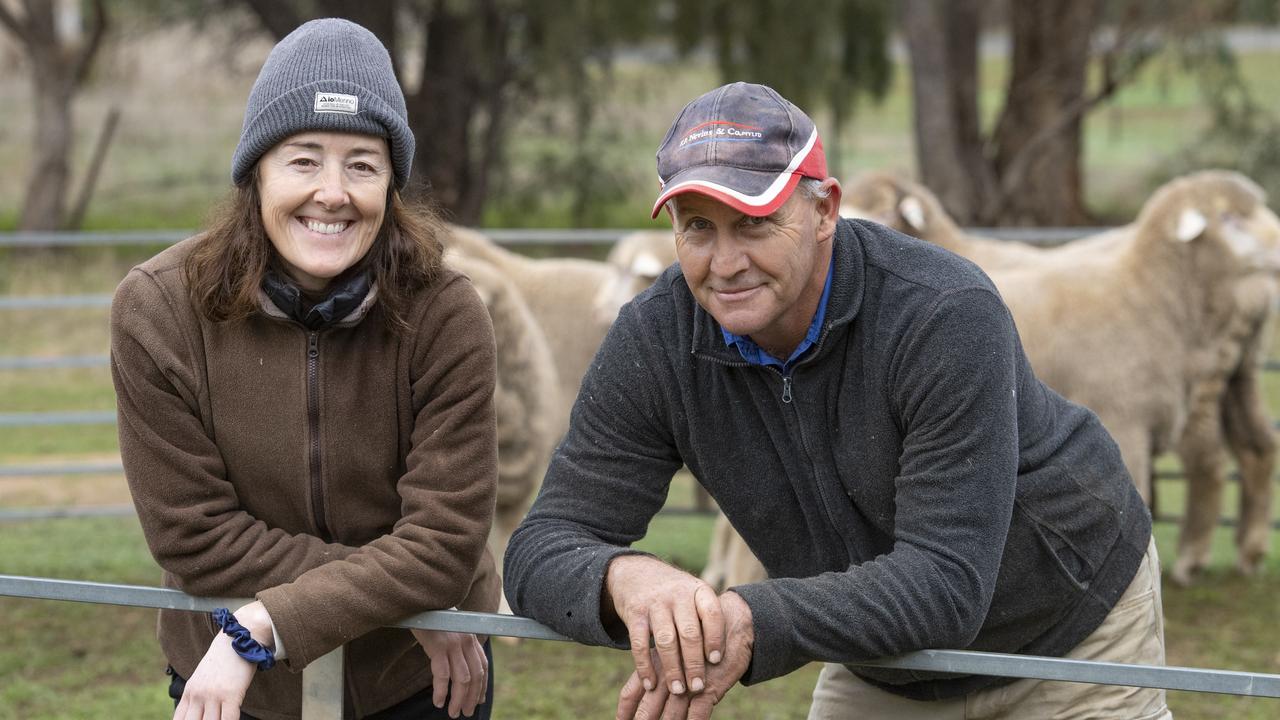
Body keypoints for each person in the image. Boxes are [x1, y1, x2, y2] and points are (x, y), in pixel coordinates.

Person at [503, 82, 1170, 719]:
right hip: (888, 659)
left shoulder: (942, 312)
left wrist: (749, 619)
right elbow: (543, 544)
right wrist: (626, 577)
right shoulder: (658, 340)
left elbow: (946, 580)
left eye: (755, 223)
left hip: (1070, 626)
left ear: (824, 210)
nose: (725, 261)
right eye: (698, 227)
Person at [110, 18, 500, 720]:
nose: (332, 192)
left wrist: (263, 624)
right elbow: (194, 536)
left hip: (415, 681)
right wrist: (397, 595)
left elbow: (444, 546)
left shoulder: (447, 314)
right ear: (254, 171)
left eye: (362, 164)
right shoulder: (157, 310)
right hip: (238, 689)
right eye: (303, 159)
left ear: (391, 182)